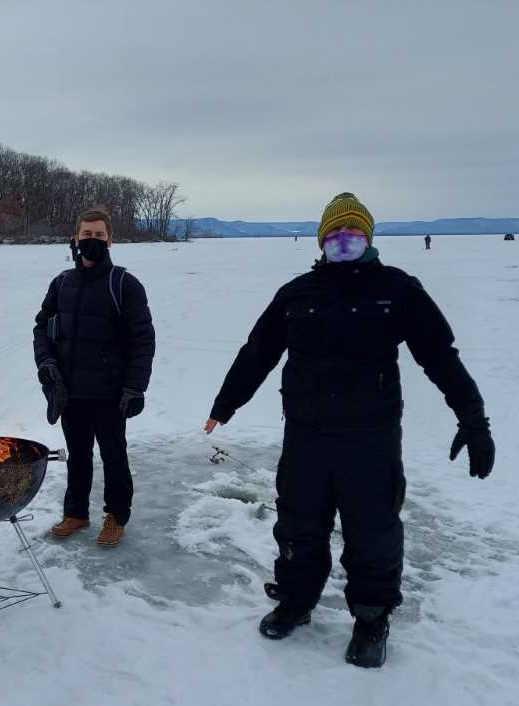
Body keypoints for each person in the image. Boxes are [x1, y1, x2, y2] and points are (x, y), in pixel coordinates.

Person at [204, 192, 495, 668]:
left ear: (369, 239)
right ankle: (297, 602)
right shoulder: (297, 293)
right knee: (298, 524)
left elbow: (441, 356)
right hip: (307, 435)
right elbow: (257, 352)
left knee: (373, 532)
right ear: (322, 242)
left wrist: (473, 417)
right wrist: (226, 404)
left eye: (354, 234)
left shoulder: (398, 290)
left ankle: (371, 618)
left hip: (371, 438)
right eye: (335, 236)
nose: (344, 242)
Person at [33, 208, 155, 547]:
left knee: (114, 456)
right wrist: (45, 363)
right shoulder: (61, 283)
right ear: (75, 239)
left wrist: (135, 386)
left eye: (99, 236)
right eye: (86, 235)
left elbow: (143, 340)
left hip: (110, 393)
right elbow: (41, 327)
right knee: (78, 454)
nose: (92, 241)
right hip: (70, 391)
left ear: (110, 241)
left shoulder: (124, 285)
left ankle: (116, 516)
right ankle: (76, 513)